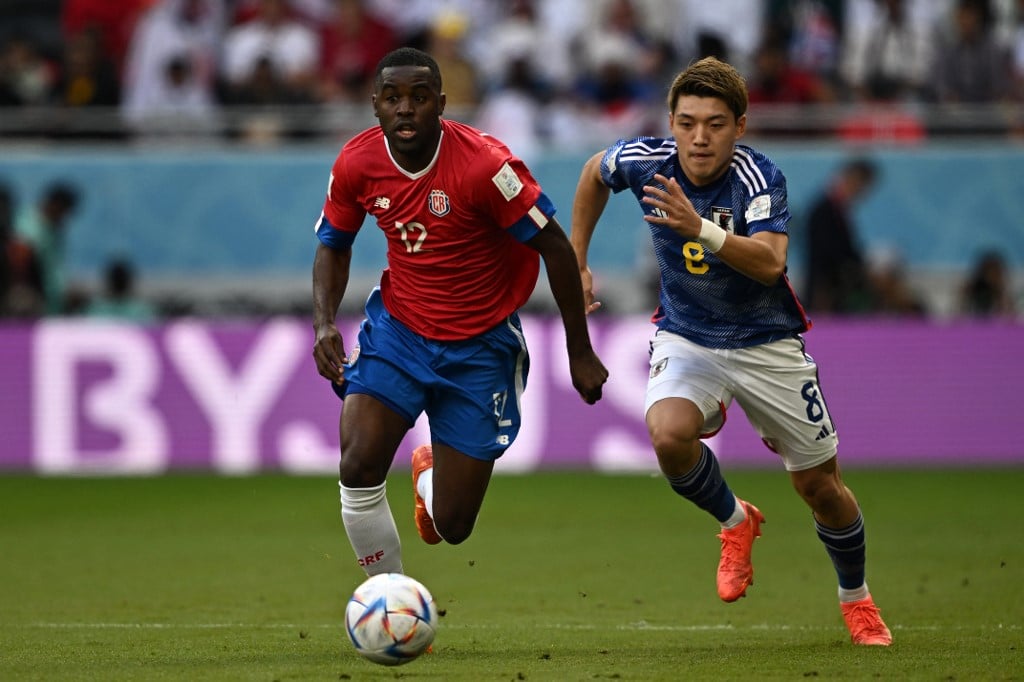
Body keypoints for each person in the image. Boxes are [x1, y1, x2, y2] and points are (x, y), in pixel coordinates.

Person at [570, 56, 891, 646]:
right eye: (687, 121)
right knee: (667, 435)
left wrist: (701, 229)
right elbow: (594, 171)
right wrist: (579, 260)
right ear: (671, 120)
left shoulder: (758, 177)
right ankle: (735, 522)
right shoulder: (646, 161)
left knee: (821, 488)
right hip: (688, 336)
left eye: (715, 123)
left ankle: (857, 600)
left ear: (739, 126)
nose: (699, 137)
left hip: (767, 345)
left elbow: (770, 263)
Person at [311, 47, 608, 577]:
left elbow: (556, 249)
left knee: (454, 525)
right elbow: (334, 244)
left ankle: (429, 480)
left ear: (442, 104)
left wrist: (579, 351)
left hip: (481, 346)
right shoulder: (357, 163)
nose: (406, 109)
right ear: (375, 105)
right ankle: (391, 600)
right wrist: (324, 321)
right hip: (398, 333)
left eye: (420, 98)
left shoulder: (485, 167)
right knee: (357, 464)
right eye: (393, 98)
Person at [802, 157, 878, 314]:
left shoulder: (838, 210)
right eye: (861, 186)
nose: (860, 193)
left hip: (834, 288)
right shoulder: (824, 210)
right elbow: (826, 255)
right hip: (826, 293)